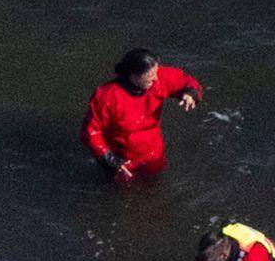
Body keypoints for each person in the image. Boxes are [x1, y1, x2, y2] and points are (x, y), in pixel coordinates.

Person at [82, 48, 203, 182]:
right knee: (125, 194)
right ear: (134, 77)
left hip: (153, 153)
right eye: (151, 76)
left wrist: (190, 93)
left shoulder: (159, 78)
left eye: (156, 72)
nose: (156, 78)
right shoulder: (107, 96)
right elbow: (91, 132)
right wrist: (110, 159)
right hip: (123, 159)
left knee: (155, 187)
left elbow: (186, 81)